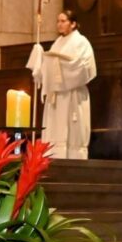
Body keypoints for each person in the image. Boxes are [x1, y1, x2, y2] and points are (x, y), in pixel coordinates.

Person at [27, 11, 96, 159]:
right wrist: (40, 57)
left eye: (63, 21)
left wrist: (59, 65)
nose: (59, 24)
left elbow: (83, 66)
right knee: (55, 130)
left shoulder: (81, 42)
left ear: (73, 23)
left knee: (72, 130)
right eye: (58, 21)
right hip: (57, 96)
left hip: (73, 94)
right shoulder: (57, 43)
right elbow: (49, 68)